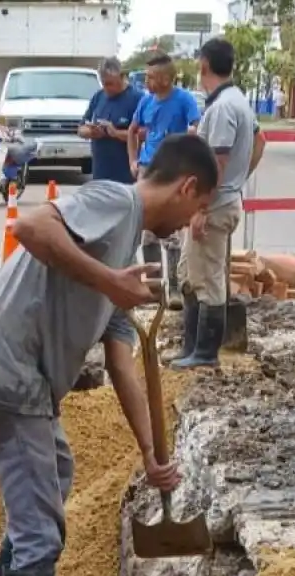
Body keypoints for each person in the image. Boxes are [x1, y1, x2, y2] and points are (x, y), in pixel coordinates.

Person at [0, 133, 219, 576]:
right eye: (199, 207)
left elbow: (123, 362)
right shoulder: (117, 202)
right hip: (6, 368)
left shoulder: (125, 247)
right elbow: (30, 226)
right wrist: (108, 280)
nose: (193, 222)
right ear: (186, 187)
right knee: (41, 528)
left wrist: (149, 452)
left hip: (17, 373)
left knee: (57, 472)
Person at [172, 38, 265, 370]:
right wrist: (238, 181)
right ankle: (191, 347)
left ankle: (205, 353)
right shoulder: (237, 100)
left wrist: (202, 207)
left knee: (208, 279)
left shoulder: (223, 107)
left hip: (213, 207)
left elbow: (218, 162)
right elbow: (260, 142)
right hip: (223, 200)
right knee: (190, 272)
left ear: (204, 65)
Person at [126, 53, 200, 305]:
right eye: (146, 77)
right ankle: (154, 289)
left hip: (173, 171)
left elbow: (195, 127)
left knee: (172, 231)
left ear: (167, 79)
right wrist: (133, 160)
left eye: (151, 77)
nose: (146, 82)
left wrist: (189, 150)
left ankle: (175, 287)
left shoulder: (184, 100)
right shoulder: (146, 101)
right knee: (147, 231)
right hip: (148, 170)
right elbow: (132, 131)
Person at [77, 57, 142, 184]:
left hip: (127, 178)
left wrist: (115, 133)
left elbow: (144, 136)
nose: (107, 88)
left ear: (122, 77)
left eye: (111, 84)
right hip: (100, 174)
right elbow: (80, 129)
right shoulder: (98, 96)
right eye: (104, 83)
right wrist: (91, 132)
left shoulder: (137, 99)